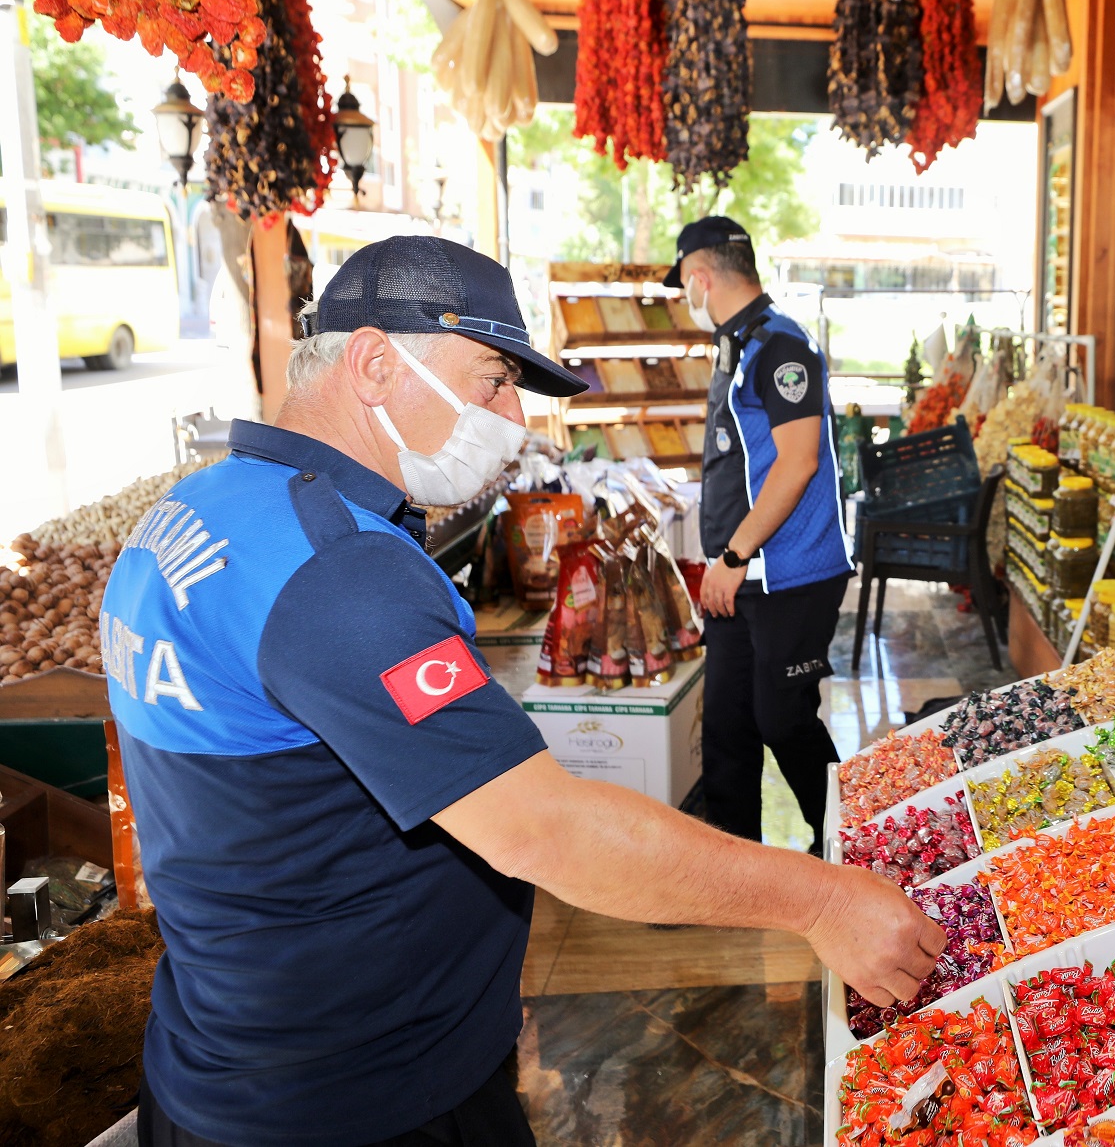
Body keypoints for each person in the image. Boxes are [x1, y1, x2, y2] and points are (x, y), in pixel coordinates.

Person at [100, 236, 941, 1147]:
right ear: (376, 363)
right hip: (358, 1097)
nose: (512, 416)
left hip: (222, 1062)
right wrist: (820, 901)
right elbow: (549, 831)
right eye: (493, 379)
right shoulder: (337, 571)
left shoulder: (199, 511)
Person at [674, 217, 853, 843]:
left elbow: (799, 461)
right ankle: (731, 860)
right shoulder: (740, 344)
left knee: (784, 720)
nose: (687, 299)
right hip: (740, 575)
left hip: (790, 574)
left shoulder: (780, 347)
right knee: (727, 721)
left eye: (685, 287)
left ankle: (848, 845)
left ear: (700, 278)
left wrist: (734, 551)